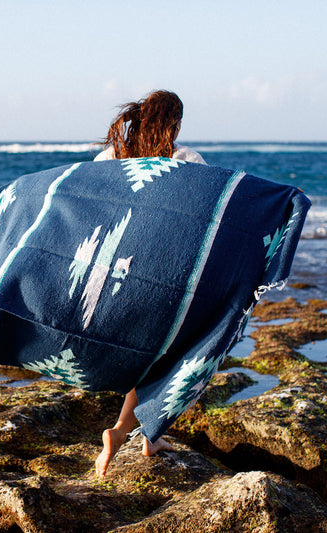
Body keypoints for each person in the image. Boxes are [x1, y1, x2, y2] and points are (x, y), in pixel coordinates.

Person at [94, 90, 206, 478]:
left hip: (114, 273)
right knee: (173, 354)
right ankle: (128, 430)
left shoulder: (109, 159)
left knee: (147, 356)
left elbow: (88, 204)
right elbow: (205, 214)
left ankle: (144, 434)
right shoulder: (185, 160)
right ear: (173, 122)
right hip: (165, 273)